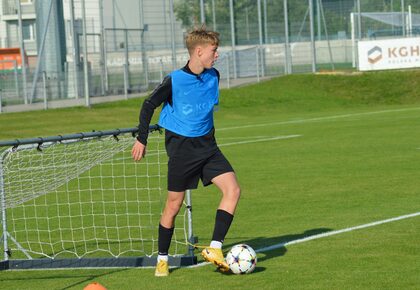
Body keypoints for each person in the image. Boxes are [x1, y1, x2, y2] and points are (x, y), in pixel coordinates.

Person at [131, 27, 240, 277]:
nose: (217, 54)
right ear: (198, 51)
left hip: (208, 147)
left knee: (233, 190)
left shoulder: (215, 76)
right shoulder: (174, 80)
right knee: (173, 205)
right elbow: (149, 104)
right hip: (181, 150)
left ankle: (215, 248)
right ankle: (162, 259)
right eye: (214, 50)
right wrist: (141, 139)